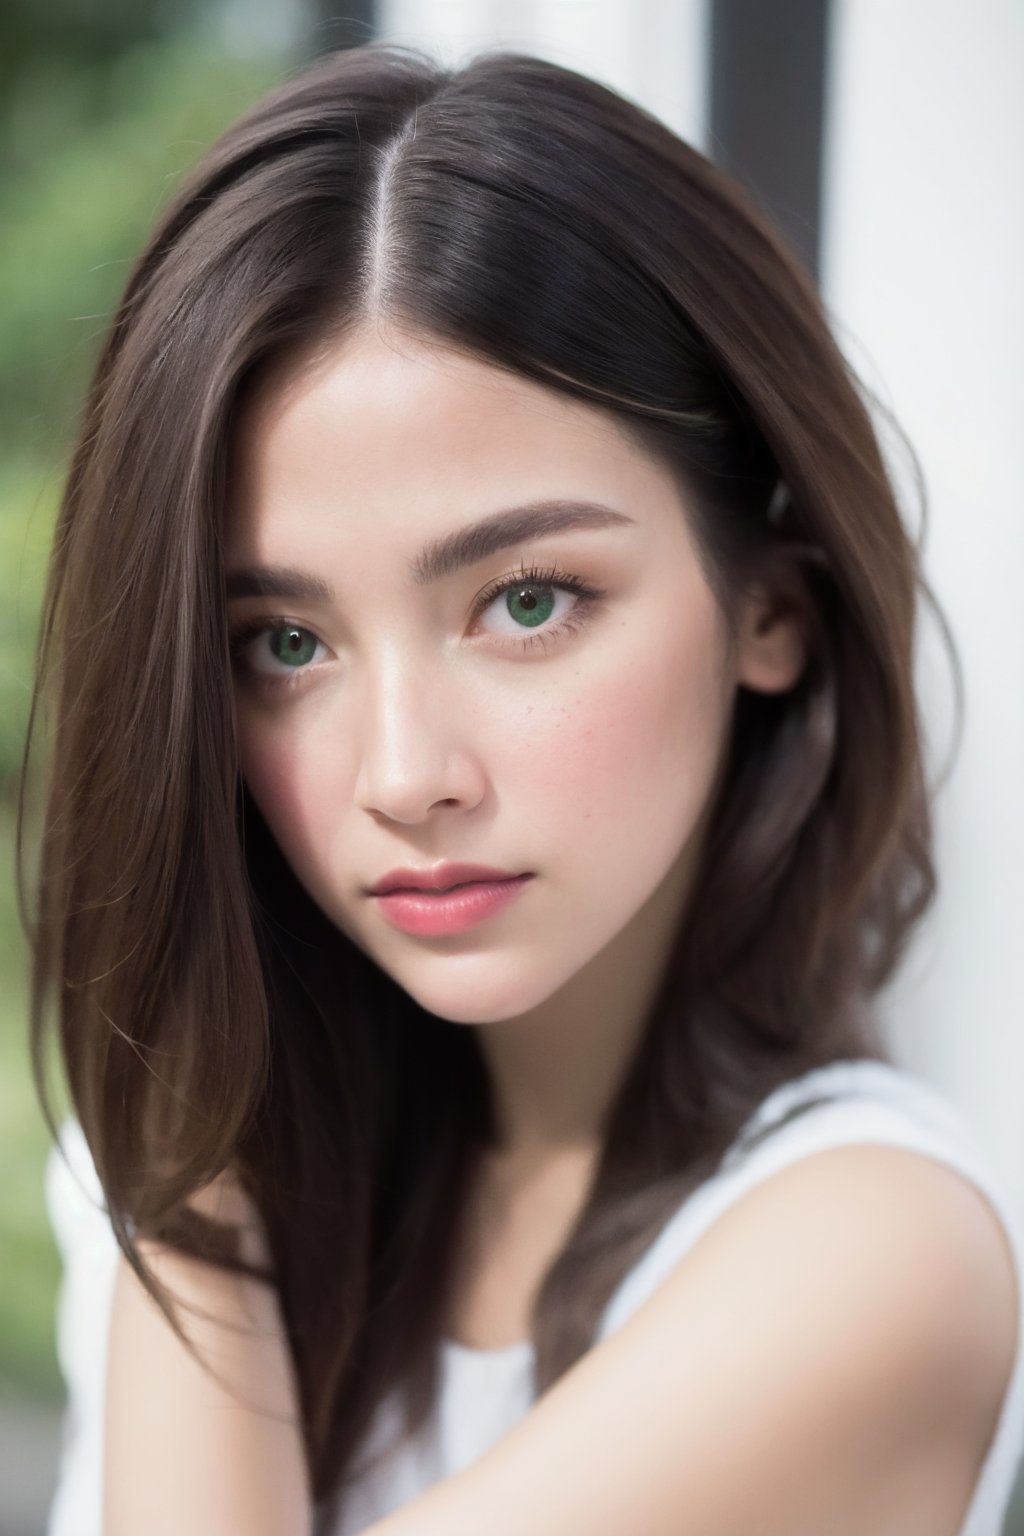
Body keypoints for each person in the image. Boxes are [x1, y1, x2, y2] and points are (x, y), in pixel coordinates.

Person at [24, 39, 1023, 1536]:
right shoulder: (190, 1173)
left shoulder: (872, 1256)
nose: (408, 775)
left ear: (773, 614)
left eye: (529, 601)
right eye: (286, 643)